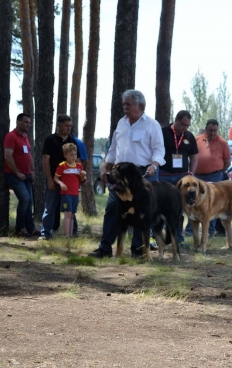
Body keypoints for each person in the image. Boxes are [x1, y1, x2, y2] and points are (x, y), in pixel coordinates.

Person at [89, 90, 165, 258]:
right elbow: (114, 148)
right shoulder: (121, 123)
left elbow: (159, 150)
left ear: (140, 106)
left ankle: (138, 250)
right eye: (124, 104)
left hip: (143, 174)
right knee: (111, 209)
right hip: (119, 175)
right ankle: (105, 248)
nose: (125, 107)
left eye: (128, 104)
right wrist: (106, 166)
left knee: (142, 214)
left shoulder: (152, 125)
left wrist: (155, 164)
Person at [185, 119, 230, 237]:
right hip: (197, 176)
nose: (213, 133)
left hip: (215, 176)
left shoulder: (223, 142)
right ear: (206, 129)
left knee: (212, 203)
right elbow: (191, 155)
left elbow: (227, 161)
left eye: (215, 130)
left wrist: (220, 171)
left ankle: (210, 230)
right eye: (211, 130)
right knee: (193, 202)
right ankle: (190, 231)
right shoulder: (197, 139)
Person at [159, 110, 198, 244]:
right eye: (182, 124)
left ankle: (178, 238)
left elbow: (194, 156)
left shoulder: (189, 137)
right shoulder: (162, 133)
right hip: (163, 175)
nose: (185, 128)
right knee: (160, 208)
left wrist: (191, 171)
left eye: (187, 125)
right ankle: (159, 237)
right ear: (175, 119)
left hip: (182, 178)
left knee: (179, 209)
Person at [39, 114, 79, 240]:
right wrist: (50, 180)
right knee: (50, 207)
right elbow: (46, 161)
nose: (69, 128)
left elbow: (76, 160)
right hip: (54, 179)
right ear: (59, 125)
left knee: (71, 209)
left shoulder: (71, 141)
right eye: (66, 126)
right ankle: (45, 233)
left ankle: (72, 233)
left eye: (70, 126)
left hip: (69, 182)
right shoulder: (50, 140)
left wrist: (79, 177)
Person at [4, 113, 40, 237]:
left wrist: (33, 169)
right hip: (14, 175)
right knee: (24, 199)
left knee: (29, 201)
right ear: (18, 122)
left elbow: (28, 154)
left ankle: (30, 229)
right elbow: (8, 156)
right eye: (25, 122)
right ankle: (19, 229)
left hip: (27, 175)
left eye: (29, 123)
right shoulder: (11, 136)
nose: (28, 125)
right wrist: (17, 172)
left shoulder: (25, 137)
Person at [52, 131, 88, 236]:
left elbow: (82, 181)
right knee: (67, 213)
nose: (74, 156)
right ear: (65, 155)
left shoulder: (79, 166)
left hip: (75, 193)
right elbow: (55, 177)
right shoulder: (62, 165)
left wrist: (83, 176)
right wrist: (61, 184)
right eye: (71, 155)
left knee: (72, 214)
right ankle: (66, 236)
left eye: (75, 154)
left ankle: (71, 235)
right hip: (66, 193)